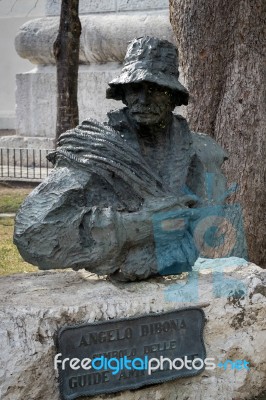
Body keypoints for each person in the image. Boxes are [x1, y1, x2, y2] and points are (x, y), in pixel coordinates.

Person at [14, 36, 228, 281]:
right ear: (123, 93)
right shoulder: (94, 150)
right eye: (135, 88)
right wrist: (138, 226)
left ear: (173, 96)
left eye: (156, 89)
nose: (144, 100)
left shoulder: (204, 153)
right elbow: (32, 234)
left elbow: (210, 230)